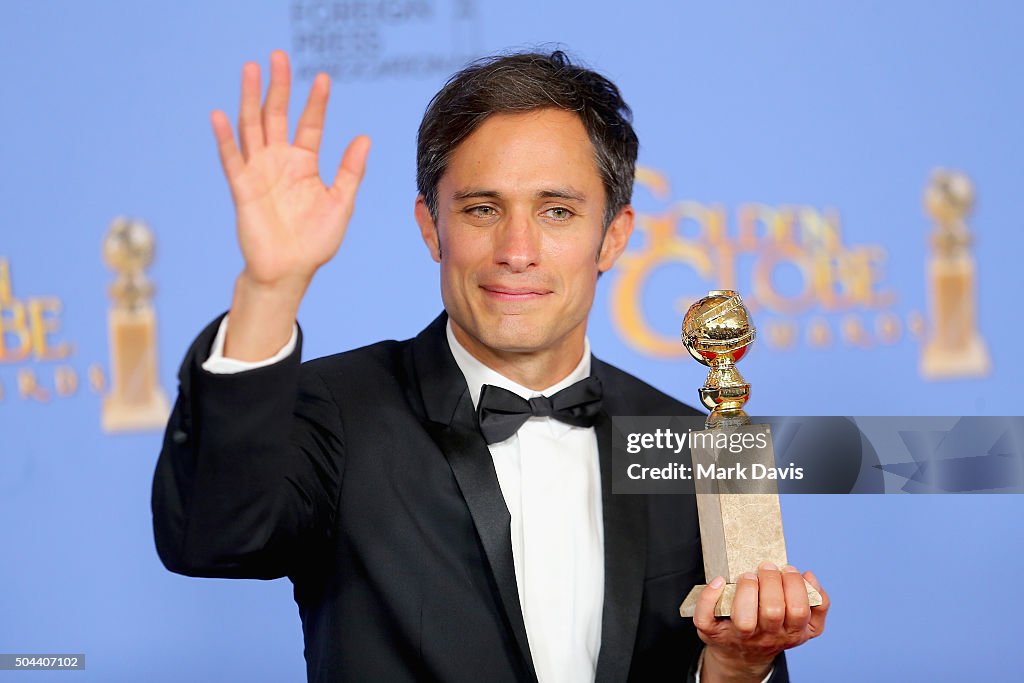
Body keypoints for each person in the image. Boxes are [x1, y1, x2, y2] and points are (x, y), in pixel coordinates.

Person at [151, 49, 828, 683]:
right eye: (482, 208)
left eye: (557, 210)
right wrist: (270, 288)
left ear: (613, 236)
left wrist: (738, 668)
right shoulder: (338, 411)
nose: (517, 249)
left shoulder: (688, 443)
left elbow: (725, 655)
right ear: (430, 227)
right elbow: (212, 537)